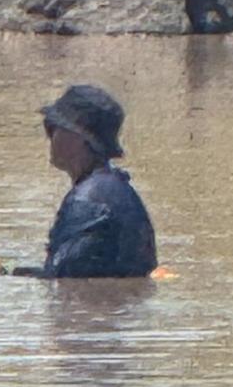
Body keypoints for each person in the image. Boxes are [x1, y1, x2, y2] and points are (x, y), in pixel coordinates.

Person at [12, 84, 157, 279]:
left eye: (53, 128)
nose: (50, 137)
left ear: (78, 138)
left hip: (96, 306)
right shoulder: (120, 189)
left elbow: (60, 279)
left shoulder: (86, 201)